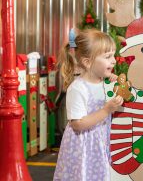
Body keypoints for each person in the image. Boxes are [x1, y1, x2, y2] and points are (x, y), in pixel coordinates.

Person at [54, 29, 124, 181]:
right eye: (108, 57)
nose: (114, 61)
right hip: (84, 147)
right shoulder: (78, 88)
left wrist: (117, 89)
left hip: (100, 142)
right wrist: (106, 110)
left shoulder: (105, 83)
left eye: (113, 55)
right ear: (88, 62)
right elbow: (77, 124)